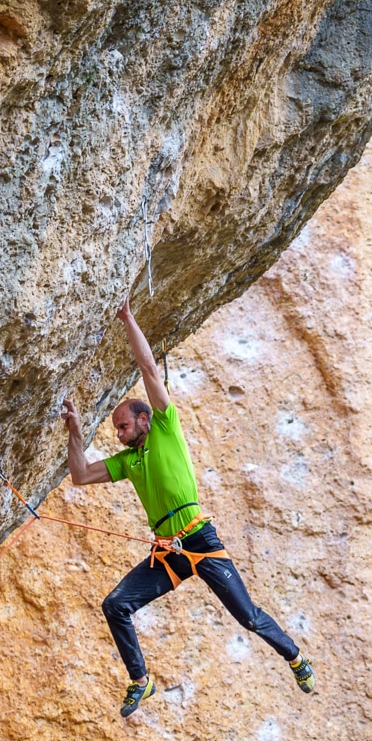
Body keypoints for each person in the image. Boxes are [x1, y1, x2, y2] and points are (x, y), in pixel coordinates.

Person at [61, 300, 317, 718]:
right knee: (115, 605)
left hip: (199, 537)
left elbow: (147, 369)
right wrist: (74, 431)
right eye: (116, 429)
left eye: (123, 425)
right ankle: (140, 681)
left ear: (145, 419)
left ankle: (295, 658)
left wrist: (128, 318)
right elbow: (80, 475)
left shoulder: (164, 427)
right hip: (168, 552)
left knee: (248, 617)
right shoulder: (129, 461)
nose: (120, 433)